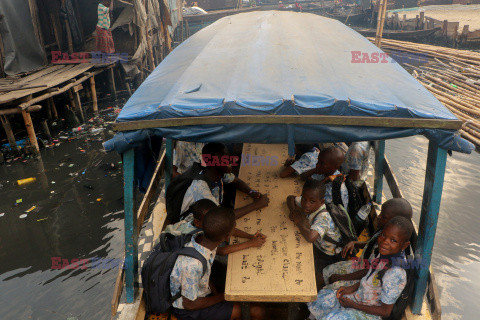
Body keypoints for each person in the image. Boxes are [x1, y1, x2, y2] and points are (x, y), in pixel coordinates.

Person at [307, 216, 413, 320]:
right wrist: (351, 288)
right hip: (359, 297)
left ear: (404, 245)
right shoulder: (385, 253)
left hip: (369, 314)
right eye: (383, 235)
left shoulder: (395, 272)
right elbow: (369, 278)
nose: (385, 241)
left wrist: (353, 305)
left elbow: (385, 312)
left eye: (393, 240)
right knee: (321, 298)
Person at [170, 207, 265, 320]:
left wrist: (250, 239)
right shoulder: (192, 265)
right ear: (226, 237)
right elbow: (189, 304)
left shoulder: (202, 237)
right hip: (187, 310)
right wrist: (224, 296)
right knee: (257, 311)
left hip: (201, 290)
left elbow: (221, 252)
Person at [321, 198, 413, 290]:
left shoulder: (388, 250)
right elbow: (371, 244)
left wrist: (341, 277)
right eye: (380, 213)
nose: (378, 217)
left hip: (363, 279)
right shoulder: (383, 233)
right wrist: (355, 243)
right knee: (325, 272)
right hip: (360, 265)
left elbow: (368, 271)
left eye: (383, 216)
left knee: (330, 286)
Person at [180, 143, 269, 219]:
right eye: (223, 156)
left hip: (213, 217)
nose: (229, 159)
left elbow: (237, 182)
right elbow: (220, 217)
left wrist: (251, 192)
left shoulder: (219, 173)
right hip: (193, 227)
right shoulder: (201, 186)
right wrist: (256, 205)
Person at [286, 179, 343, 288]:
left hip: (328, 254)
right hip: (318, 245)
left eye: (312, 201)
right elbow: (290, 198)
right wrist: (294, 211)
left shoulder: (323, 217)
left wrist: (299, 222)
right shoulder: (308, 201)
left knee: (307, 277)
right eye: (304, 199)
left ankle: (308, 297)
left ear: (321, 202)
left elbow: (311, 237)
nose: (306, 204)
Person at [164, 199, 267, 256]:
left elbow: (227, 228)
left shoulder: (204, 223)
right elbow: (221, 251)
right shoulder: (196, 236)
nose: (214, 220)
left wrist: (250, 236)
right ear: (197, 222)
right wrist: (250, 243)